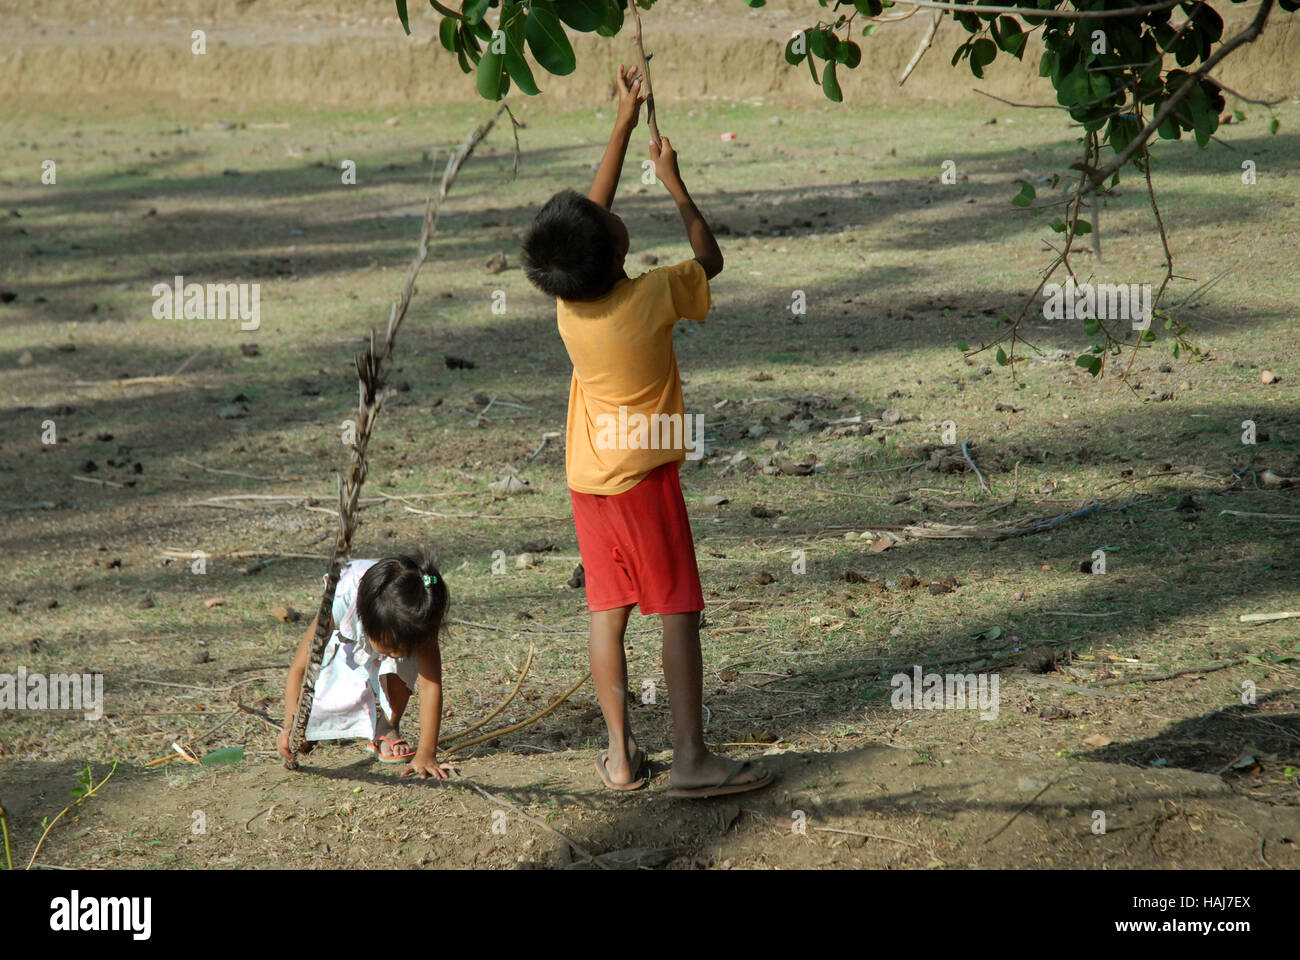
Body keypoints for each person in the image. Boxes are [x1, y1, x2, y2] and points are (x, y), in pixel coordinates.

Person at [519, 65, 773, 798]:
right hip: (643, 482)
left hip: (587, 480)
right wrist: (673, 181)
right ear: (616, 250)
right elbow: (711, 260)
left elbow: (585, 226)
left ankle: (621, 756)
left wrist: (624, 125)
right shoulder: (657, 293)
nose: (606, 210)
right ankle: (691, 759)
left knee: (608, 611)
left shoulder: (570, 303)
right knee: (678, 609)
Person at [277, 553, 455, 780]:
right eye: (391, 649)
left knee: (403, 663)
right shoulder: (339, 603)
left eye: (404, 649)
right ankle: (312, 728)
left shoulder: (419, 616)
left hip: (391, 619)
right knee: (336, 680)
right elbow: (300, 668)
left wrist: (427, 754)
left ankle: (387, 726)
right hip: (350, 616)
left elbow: (431, 686)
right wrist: (290, 726)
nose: (397, 655)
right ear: (366, 624)